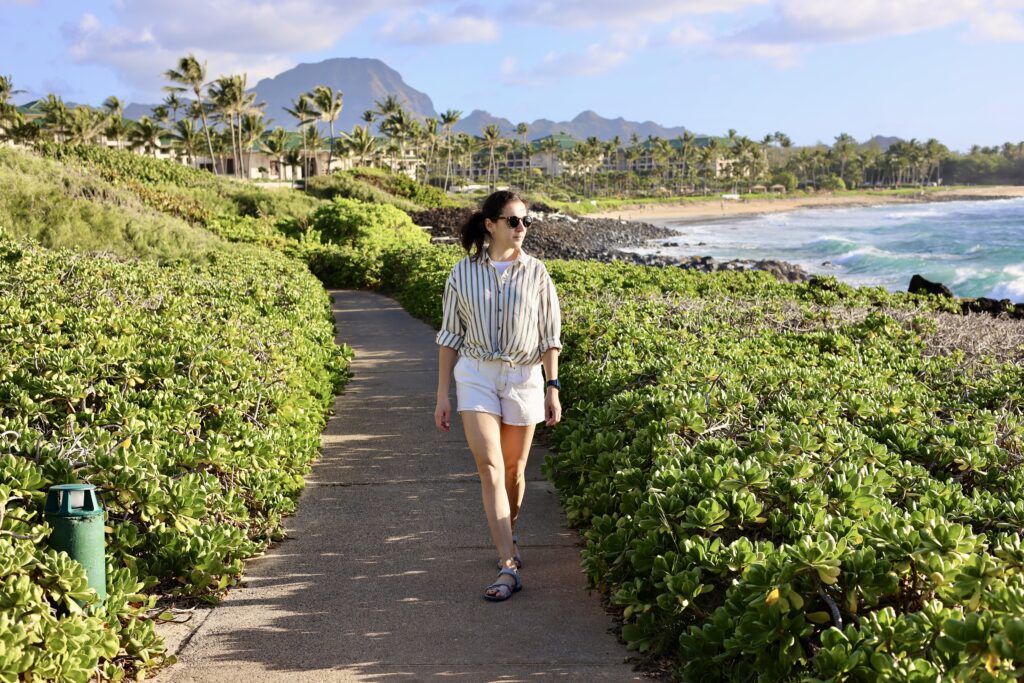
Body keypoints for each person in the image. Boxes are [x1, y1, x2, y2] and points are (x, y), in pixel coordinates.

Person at [433, 190, 562, 602]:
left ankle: (510, 532)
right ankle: (507, 564)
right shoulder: (461, 273)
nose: (521, 228)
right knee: (489, 467)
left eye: (525, 221)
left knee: (513, 472)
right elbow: (450, 336)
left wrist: (552, 387)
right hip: (476, 376)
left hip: (524, 377)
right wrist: (443, 394)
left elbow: (549, 337)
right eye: (513, 221)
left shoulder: (538, 272)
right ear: (490, 225)